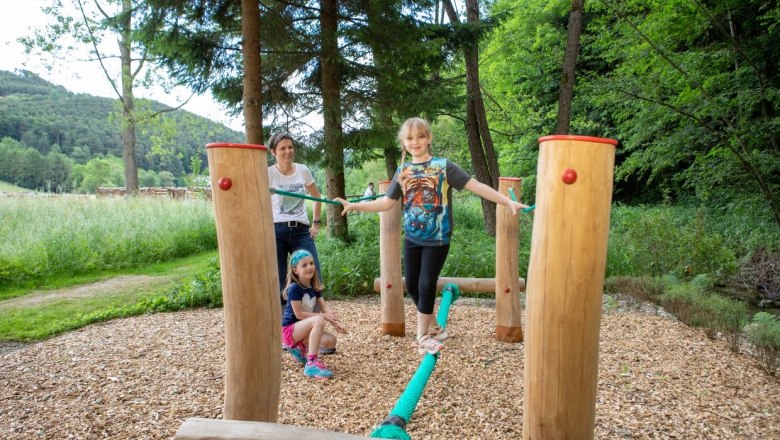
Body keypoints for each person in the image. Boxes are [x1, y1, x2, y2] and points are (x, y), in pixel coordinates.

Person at [335, 117, 526, 355]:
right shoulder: (402, 171)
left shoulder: (443, 166)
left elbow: (475, 186)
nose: (416, 142)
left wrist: (507, 201)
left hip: (437, 238)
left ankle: (422, 336)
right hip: (412, 238)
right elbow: (386, 203)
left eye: (420, 137)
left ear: (429, 139)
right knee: (413, 286)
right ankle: (435, 327)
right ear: (403, 143)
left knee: (426, 284)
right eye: (410, 138)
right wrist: (354, 206)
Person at [268, 131, 323, 306]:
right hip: (277, 230)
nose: (288, 151)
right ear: (273, 152)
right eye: (282, 148)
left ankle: (314, 321)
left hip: (301, 231)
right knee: (280, 279)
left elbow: (317, 197)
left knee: (312, 274)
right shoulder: (268, 174)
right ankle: (286, 325)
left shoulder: (302, 170)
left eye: (290, 147)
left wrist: (315, 223)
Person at [282, 249, 347, 379]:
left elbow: (325, 309)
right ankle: (311, 363)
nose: (310, 267)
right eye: (304, 265)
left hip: (302, 330)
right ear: (295, 270)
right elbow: (299, 314)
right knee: (318, 320)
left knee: (330, 341)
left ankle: (299, 349)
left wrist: (336, 323)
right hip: (290, 332)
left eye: (311, 263)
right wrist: (323, 317)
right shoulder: (294, 288)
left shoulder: (313, 287)